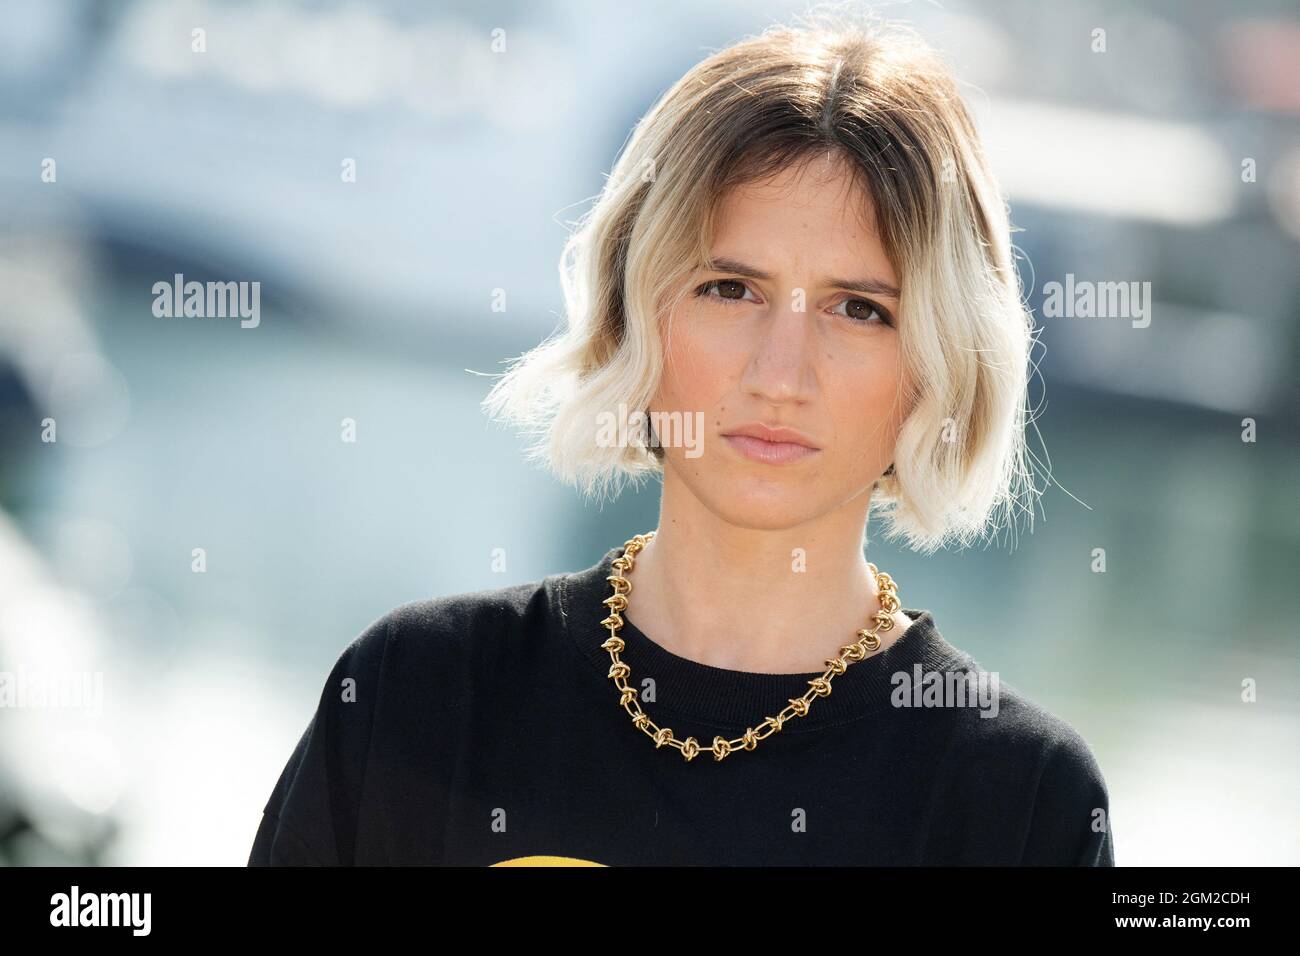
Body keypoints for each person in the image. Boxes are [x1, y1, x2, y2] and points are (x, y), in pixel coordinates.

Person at [249, 15, 1114, 867]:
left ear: (938, 357)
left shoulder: (1022, 801)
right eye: (731, 289)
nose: (782, 373)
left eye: (861, 309)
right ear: (637, 305)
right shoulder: (419, 691)